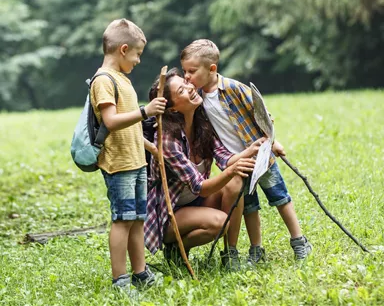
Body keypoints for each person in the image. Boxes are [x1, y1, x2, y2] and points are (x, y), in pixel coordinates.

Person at [180, 39, 312, 264]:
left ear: (212, 69)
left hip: (261, 156)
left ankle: (299, 240)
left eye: (191, 71)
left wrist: (273, 141)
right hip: (238, 164)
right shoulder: (198, 100)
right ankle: (256, 250)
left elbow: (262, 114)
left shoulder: (233, 88)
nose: (187, 77)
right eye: (185, 71)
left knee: (279, 197)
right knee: (249, 207)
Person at [144, 68, 265, 271]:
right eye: (181, 91)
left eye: (186, 83)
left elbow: (224, 157)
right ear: (172, 109)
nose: (191, 89)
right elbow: (200, 186)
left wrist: (251, 150)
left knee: (236, 181)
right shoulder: (166, 140)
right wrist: (231, 170)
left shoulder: (202, 123)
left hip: (195, 201)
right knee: (219, 224)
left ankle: (230, 255)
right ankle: (174, 247)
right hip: (169, 214)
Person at [90, 18, 167, 289]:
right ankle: (120, 279)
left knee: (137, 220)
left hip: (136, 161)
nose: (138, 60)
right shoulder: (104, 80)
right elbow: (111, 121)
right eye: (137, 54)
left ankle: (140, 272)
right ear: (123, 49)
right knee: (123, 220)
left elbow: (130, 127)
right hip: (119, 164)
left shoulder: (122, 80)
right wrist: (146, 111)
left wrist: (151, 149)